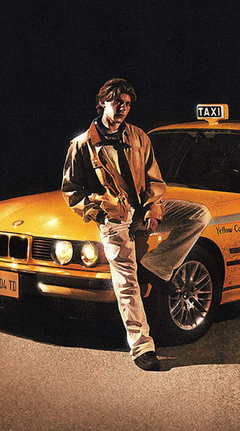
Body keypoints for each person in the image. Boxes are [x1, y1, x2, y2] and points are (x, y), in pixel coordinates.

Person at [61, 78, 211, 371]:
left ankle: (155, 266)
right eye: (117, 103)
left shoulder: (139, 137)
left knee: (198, 214)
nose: (123, 109)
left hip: (143, 211)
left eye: (128, 104)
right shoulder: (81, 144)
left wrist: (155, 209)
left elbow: (154, 180)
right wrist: (101, 210)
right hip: (114, 220)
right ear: (102, 102)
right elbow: (71, 191)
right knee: (127, 284)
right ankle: (142, 348)